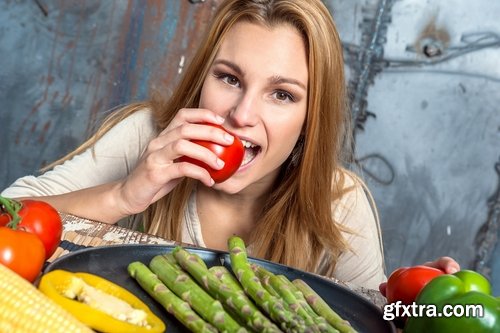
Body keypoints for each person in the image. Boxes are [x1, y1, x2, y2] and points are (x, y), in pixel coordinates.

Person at [1, 0, 458, 290]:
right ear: (204, 79)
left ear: (309, 117)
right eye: (229, 78)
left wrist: (426, 305)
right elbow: (9, 217)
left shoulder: (340, 201)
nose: (241, 115)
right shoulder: (148, 136)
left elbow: (377, 317)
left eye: (282, 94)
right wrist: (122, 194)